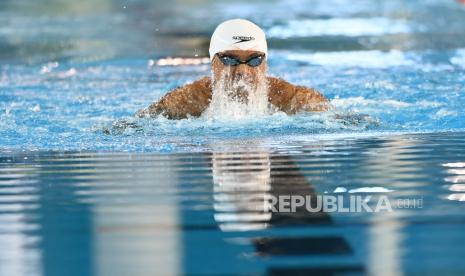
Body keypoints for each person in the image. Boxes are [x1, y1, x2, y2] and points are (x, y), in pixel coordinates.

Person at [136, 19, 330, 119]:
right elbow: (131, 126)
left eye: (254, 60)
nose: (243, 72)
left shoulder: (293, 99)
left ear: (266, 63)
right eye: (230, 59)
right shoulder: (190, 100)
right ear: (213, 62)